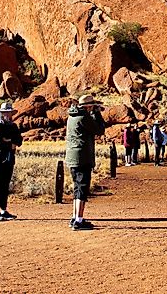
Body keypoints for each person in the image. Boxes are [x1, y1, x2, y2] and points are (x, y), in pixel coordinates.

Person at [65, 94, 106, 231]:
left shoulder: (72, 116)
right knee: (82, 188)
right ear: (88, 106)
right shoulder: (84, 117)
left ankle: (75, 217)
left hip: (73, 157)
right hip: (82, 157)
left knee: (77, 188)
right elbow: (99, 130)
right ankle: (79, 220)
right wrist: (97, 113)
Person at [0, 101, 23, 222]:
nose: (7, 115)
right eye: (5, 113)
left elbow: (19, 141)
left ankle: (3, 209)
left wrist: (7, 140)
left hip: (9, 159)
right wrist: (10, 143)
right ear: (1, 114)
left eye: (9, 113)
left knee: (5, 185)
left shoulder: (13, 126)